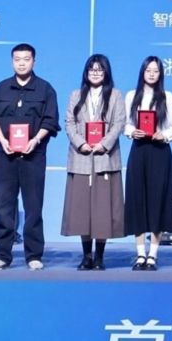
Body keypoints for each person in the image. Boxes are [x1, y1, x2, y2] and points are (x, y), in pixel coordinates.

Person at [0, 43, 59, 271]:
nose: (22, 63)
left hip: (33, 157)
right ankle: (2, 255)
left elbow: (50, 121)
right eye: (17, 59)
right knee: (4, 207)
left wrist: (35, 140)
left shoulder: (45, 89)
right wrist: (2, 139)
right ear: (12, 62)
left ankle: (33, 255)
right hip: (4, 156)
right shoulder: (1, 88)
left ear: (34, 61)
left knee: (33, 208)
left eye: (26, 59)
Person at [63, 54, 128, 269]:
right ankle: (86, 256)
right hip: (81, 157)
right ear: (86, 72)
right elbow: (69, 123)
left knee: (103, 211)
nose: (96, 73)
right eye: (92, 69)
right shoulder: (76, 95)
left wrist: (104, 144)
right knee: (82, 210)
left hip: (105, 158)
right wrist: (81, 143)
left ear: (106, 73)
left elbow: (119, 123)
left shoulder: (116, 95)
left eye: (100, 70)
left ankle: (99, 256)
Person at [123, 55, 172, 271]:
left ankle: (153, 254)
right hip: (139, 150)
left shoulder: (167, 96)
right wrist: (132, 132)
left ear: (161, 74)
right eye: (148, 70)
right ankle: (140, 253)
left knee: (158, 200)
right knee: (137, 199)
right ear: (142, 72)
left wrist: (163, 135)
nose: (152, 74)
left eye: (156, 71)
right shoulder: (131, 96)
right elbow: (126, 124)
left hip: (159, 152)